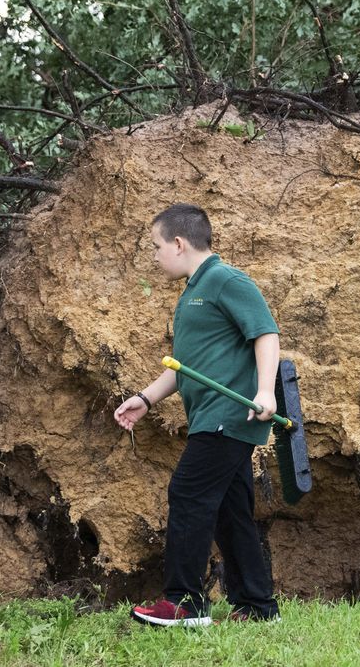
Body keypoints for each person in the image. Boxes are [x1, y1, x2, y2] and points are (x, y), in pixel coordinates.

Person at [115, 203, 282, 626]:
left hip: (230, 416)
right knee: (230, 511)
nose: (155, 256)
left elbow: (265, 333)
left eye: (156, 247)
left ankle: (184, 603)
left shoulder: (225, 280)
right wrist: (146, 399)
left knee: (188, 495)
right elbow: (186, 364)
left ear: (178, 242)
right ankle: (258, 606)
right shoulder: (193, 290)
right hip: (211, 415)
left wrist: (265, 392)